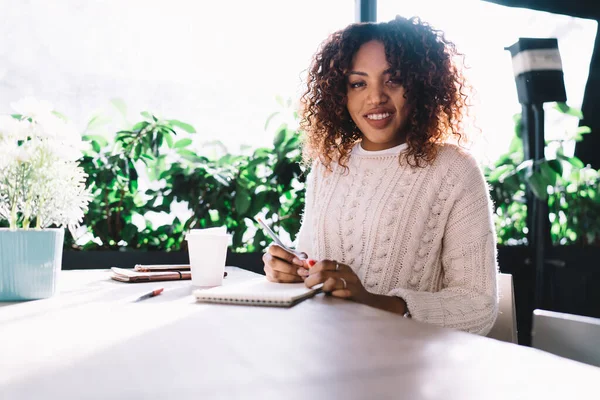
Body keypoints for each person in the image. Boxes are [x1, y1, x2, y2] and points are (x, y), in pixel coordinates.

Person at [262, 16, 498, 335]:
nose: (376, 97)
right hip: (321, 347)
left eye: (393, 80)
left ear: (420, 85)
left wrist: (375, 302)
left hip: (404, 366)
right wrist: (289, 269)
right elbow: (312, 263)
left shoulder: (454, 170)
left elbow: (478, 307)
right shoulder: (329, 163)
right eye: (358, 83)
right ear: (340, 94)